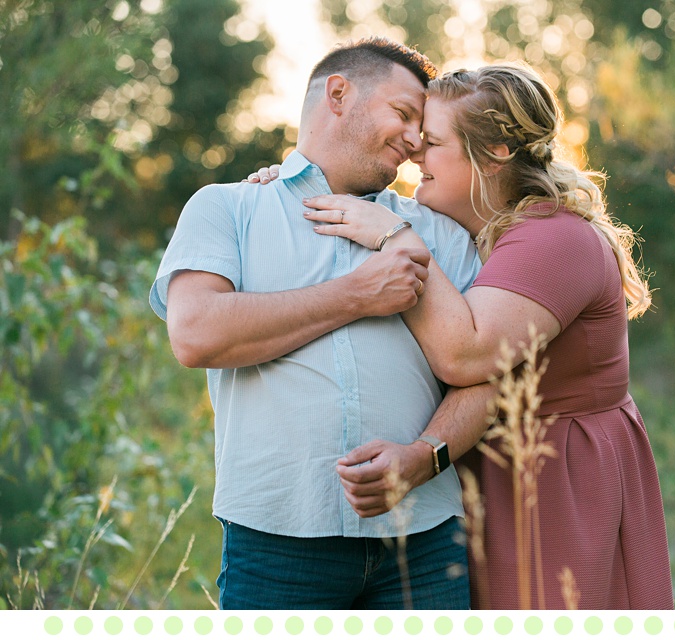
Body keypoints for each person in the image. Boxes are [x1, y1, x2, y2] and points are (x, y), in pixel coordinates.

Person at [265, 62, 675, 609]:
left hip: (558, 485)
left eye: (432, 142)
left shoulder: (556, 238)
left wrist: (394, 237)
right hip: (484, 482)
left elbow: (464, 355)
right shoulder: (475, 231)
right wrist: (288, 185)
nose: (413, 153)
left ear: (498, 150)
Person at [149, 36, 495, 609]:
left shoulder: (439, 232)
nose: (415, 142)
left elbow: (485, 372)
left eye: (423, 127)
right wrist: (356, 295)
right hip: (276, 543)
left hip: (426, 542)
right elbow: (195, 333)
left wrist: (422, 458)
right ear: (339, 94)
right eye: (404, 114)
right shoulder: (226, 208)